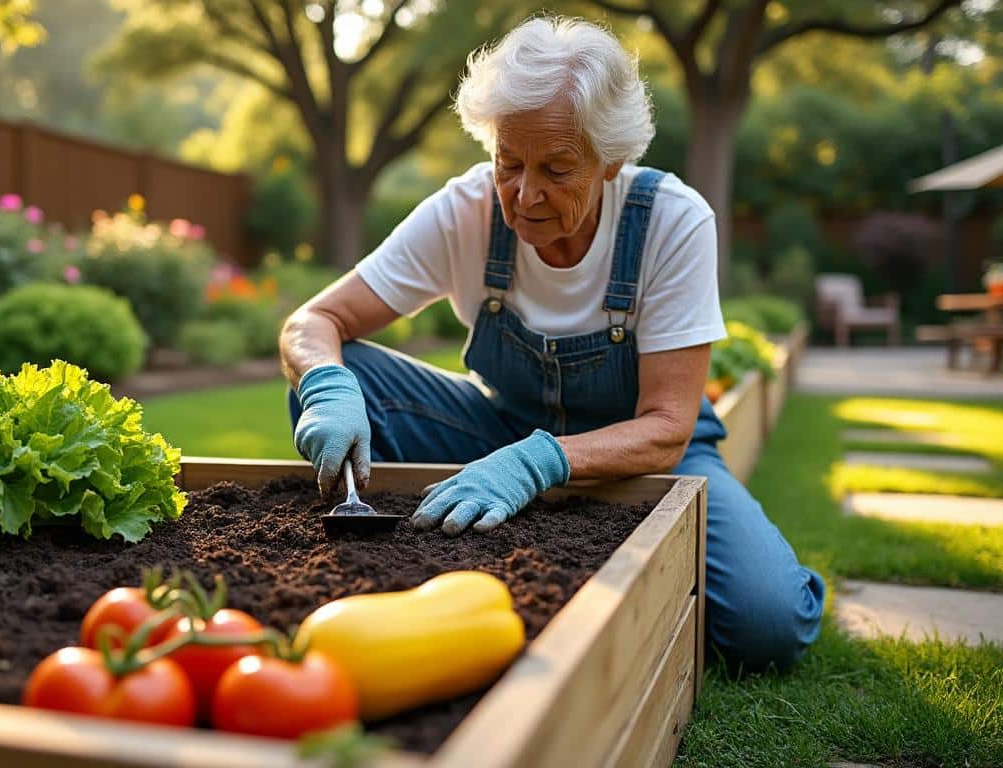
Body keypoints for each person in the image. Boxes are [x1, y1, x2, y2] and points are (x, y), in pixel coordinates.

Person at [279, 16, 823, 672]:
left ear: (611, 158)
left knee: (768, 626)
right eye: (509, 161)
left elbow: (668, 427)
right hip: (498, 434)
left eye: (557, 168)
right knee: (344, 375)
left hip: (652, 462)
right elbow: (314, 320)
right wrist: (325, 387)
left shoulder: (671, 222)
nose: (524, 192)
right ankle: (434, 570)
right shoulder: (467, 211)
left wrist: (537, 465)